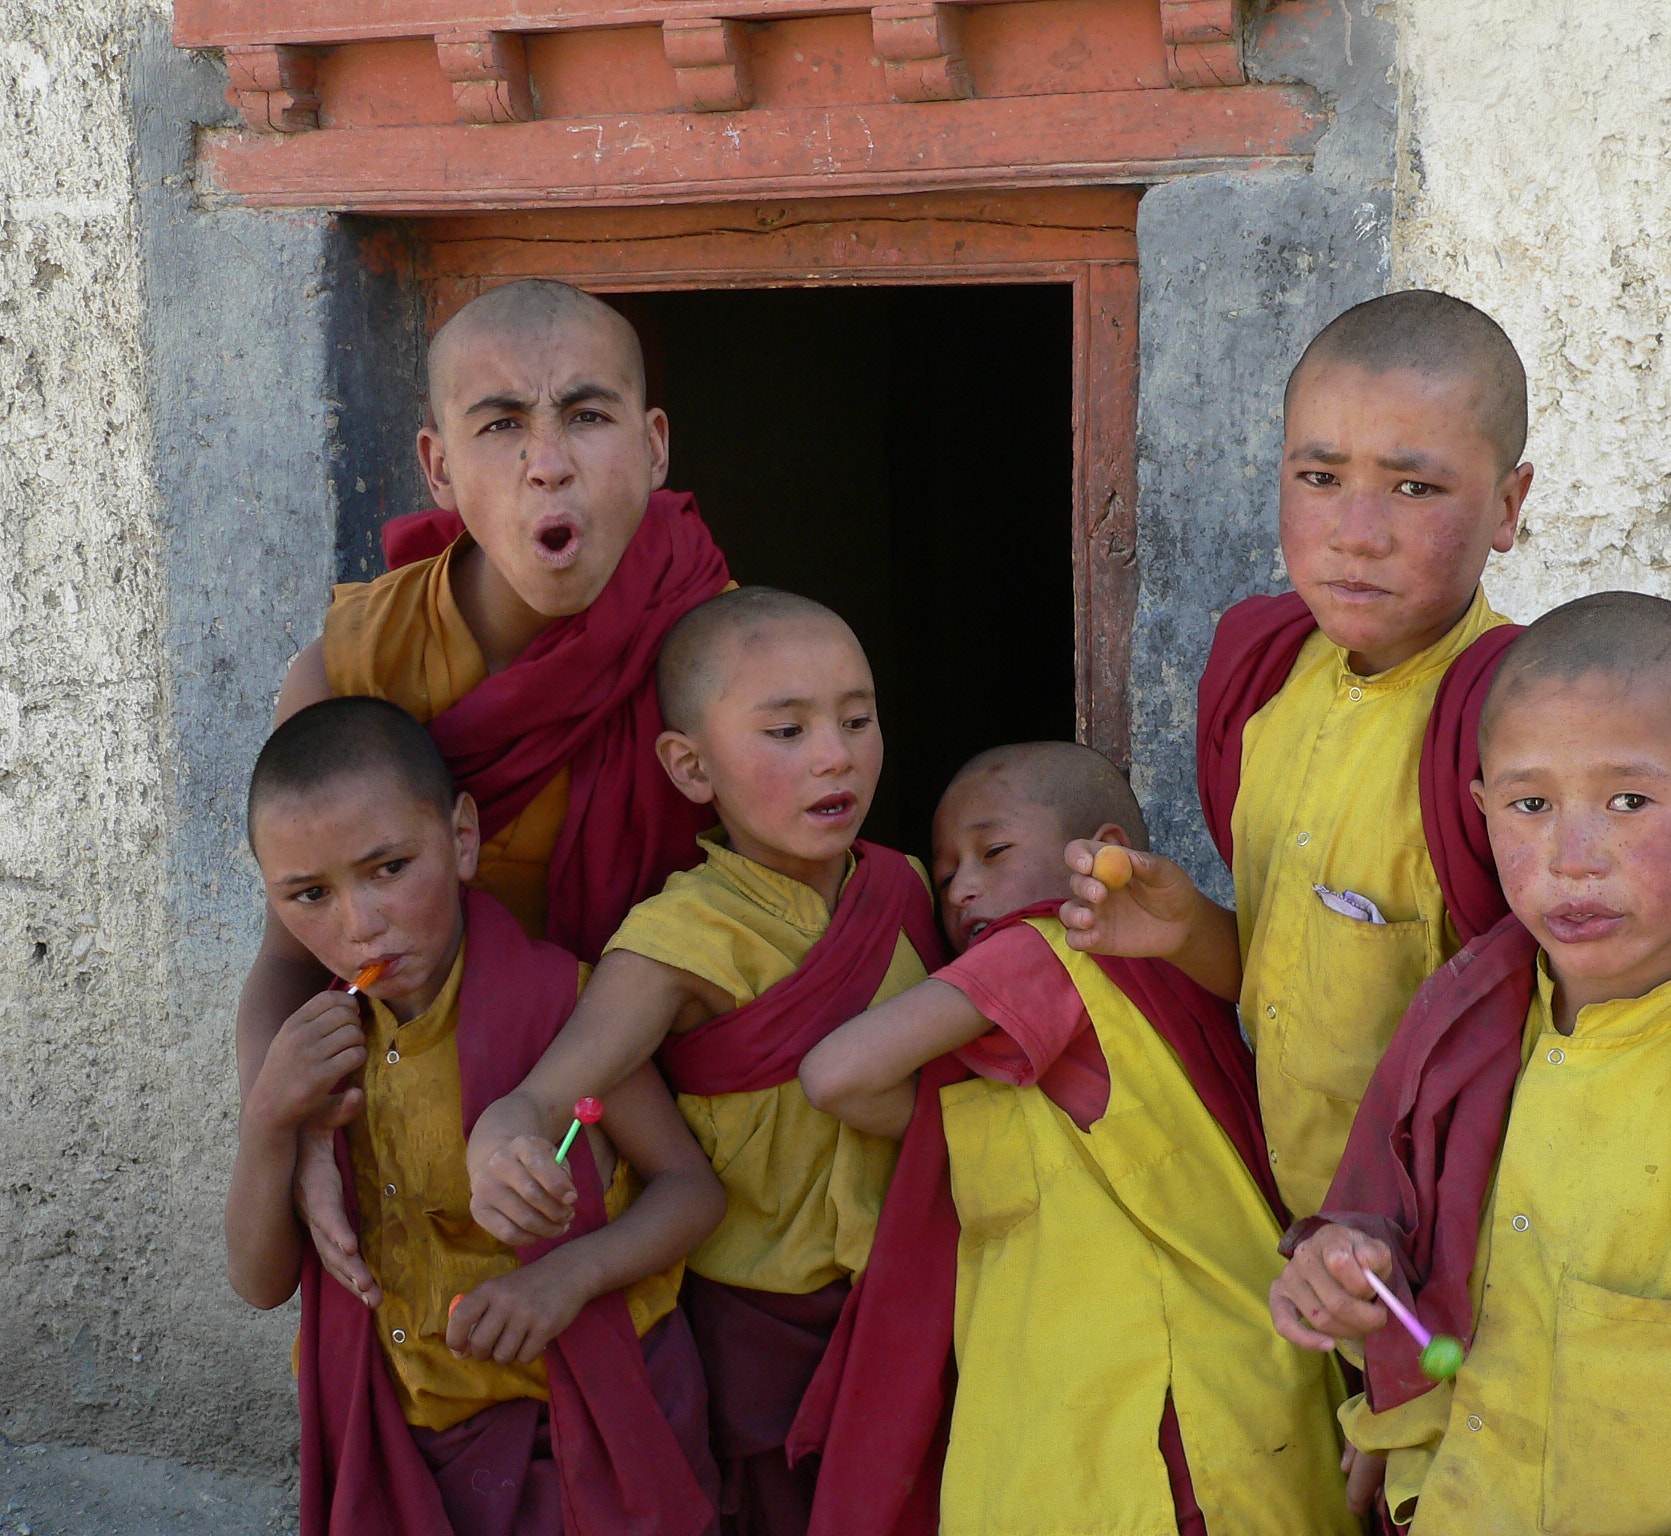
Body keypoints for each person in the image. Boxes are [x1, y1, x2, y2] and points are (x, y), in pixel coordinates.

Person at [1269, 593, 1671, 1535]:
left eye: (1628, 801)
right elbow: (1381, 1265)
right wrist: (1336, 1279)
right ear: (1482, 809)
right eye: (1530, 804)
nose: (1572, 858)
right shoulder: (1451, 1047)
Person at [239, 278, 733, 1309]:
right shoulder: (355, 671)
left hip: (661, 1171)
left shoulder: (724, 660)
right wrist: (288, 1137)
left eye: (585, 417)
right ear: (438, 466)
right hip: (418, 1180)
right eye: (500, 424)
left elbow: (772, 935)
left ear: (653, 446)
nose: (546, 463)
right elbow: (291, 962)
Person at [462, 588, 944, 1536]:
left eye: (857, 718)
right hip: (759, 1327)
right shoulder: (680, 938)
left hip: (916, 1299)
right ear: (690, 767)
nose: (835, 754)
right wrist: (498, 1147)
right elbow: (546, 1093)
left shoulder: (906, 886)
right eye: (785, 730)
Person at [793, 742, 1356, 1536]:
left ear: (1107, 859)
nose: (963, 888)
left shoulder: (1048, 949)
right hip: (1230, 1398)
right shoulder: (1145, 991)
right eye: (945, 871)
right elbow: (936, 1122)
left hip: (1155, 1427)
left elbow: (837, 1075)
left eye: (993, 851)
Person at [1060, 290, 1535, 1225]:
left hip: (1446, 1237)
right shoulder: (1260, 674)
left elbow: (1575, 1030)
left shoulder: (1522, 726)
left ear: (1507, 506)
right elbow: (1298, 984)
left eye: (1415, 488)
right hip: (1290, 1220)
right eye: (1320, 477)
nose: (1356, 531)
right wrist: (1189, 928)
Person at [227, 696, 726, 1536]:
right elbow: (260, 1281)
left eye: (389, 868)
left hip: (582, 1437)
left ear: (462, 839)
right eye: (309, 895)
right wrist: (269, 1121)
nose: (359, 923)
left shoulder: (562, 1012)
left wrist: (567, 1276)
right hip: (410, 1445)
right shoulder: (316, 1051)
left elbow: (692, 1192)